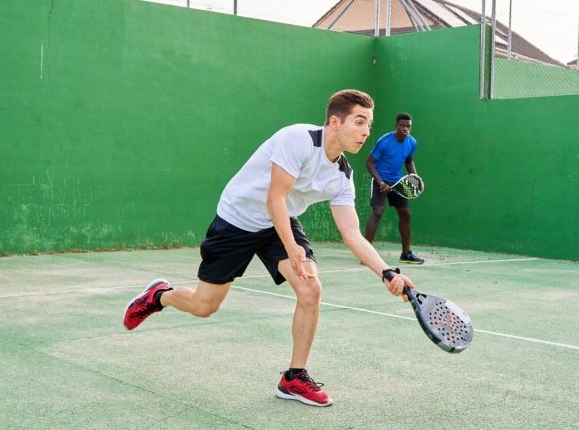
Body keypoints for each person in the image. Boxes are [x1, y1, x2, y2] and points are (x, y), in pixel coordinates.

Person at [122, 89, 414, 407]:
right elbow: (275, 196)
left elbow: (352, 234)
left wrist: (386, 271)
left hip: (279, 224)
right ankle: (159, 296)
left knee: (310, 288)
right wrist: (292, 247)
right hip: (237, 220)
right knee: (204, 307)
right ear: (334, 121)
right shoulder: (298, 139)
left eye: (369, 125)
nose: (365, 132)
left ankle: (293, 378)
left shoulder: (342, 176)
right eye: (359, 122)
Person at [364, 112, 425, 264]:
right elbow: (369, 163)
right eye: (402, 126)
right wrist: (381, 183)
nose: (405, 129)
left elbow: (409, 161)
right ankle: (365, 253)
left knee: (405, 214)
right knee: (377, 212)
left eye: (408, 126)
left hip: (398, 182)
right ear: (396, 126)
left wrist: (415, 178)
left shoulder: (412, 142)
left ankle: (406, 254)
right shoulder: (384, 141)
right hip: (381, 180)